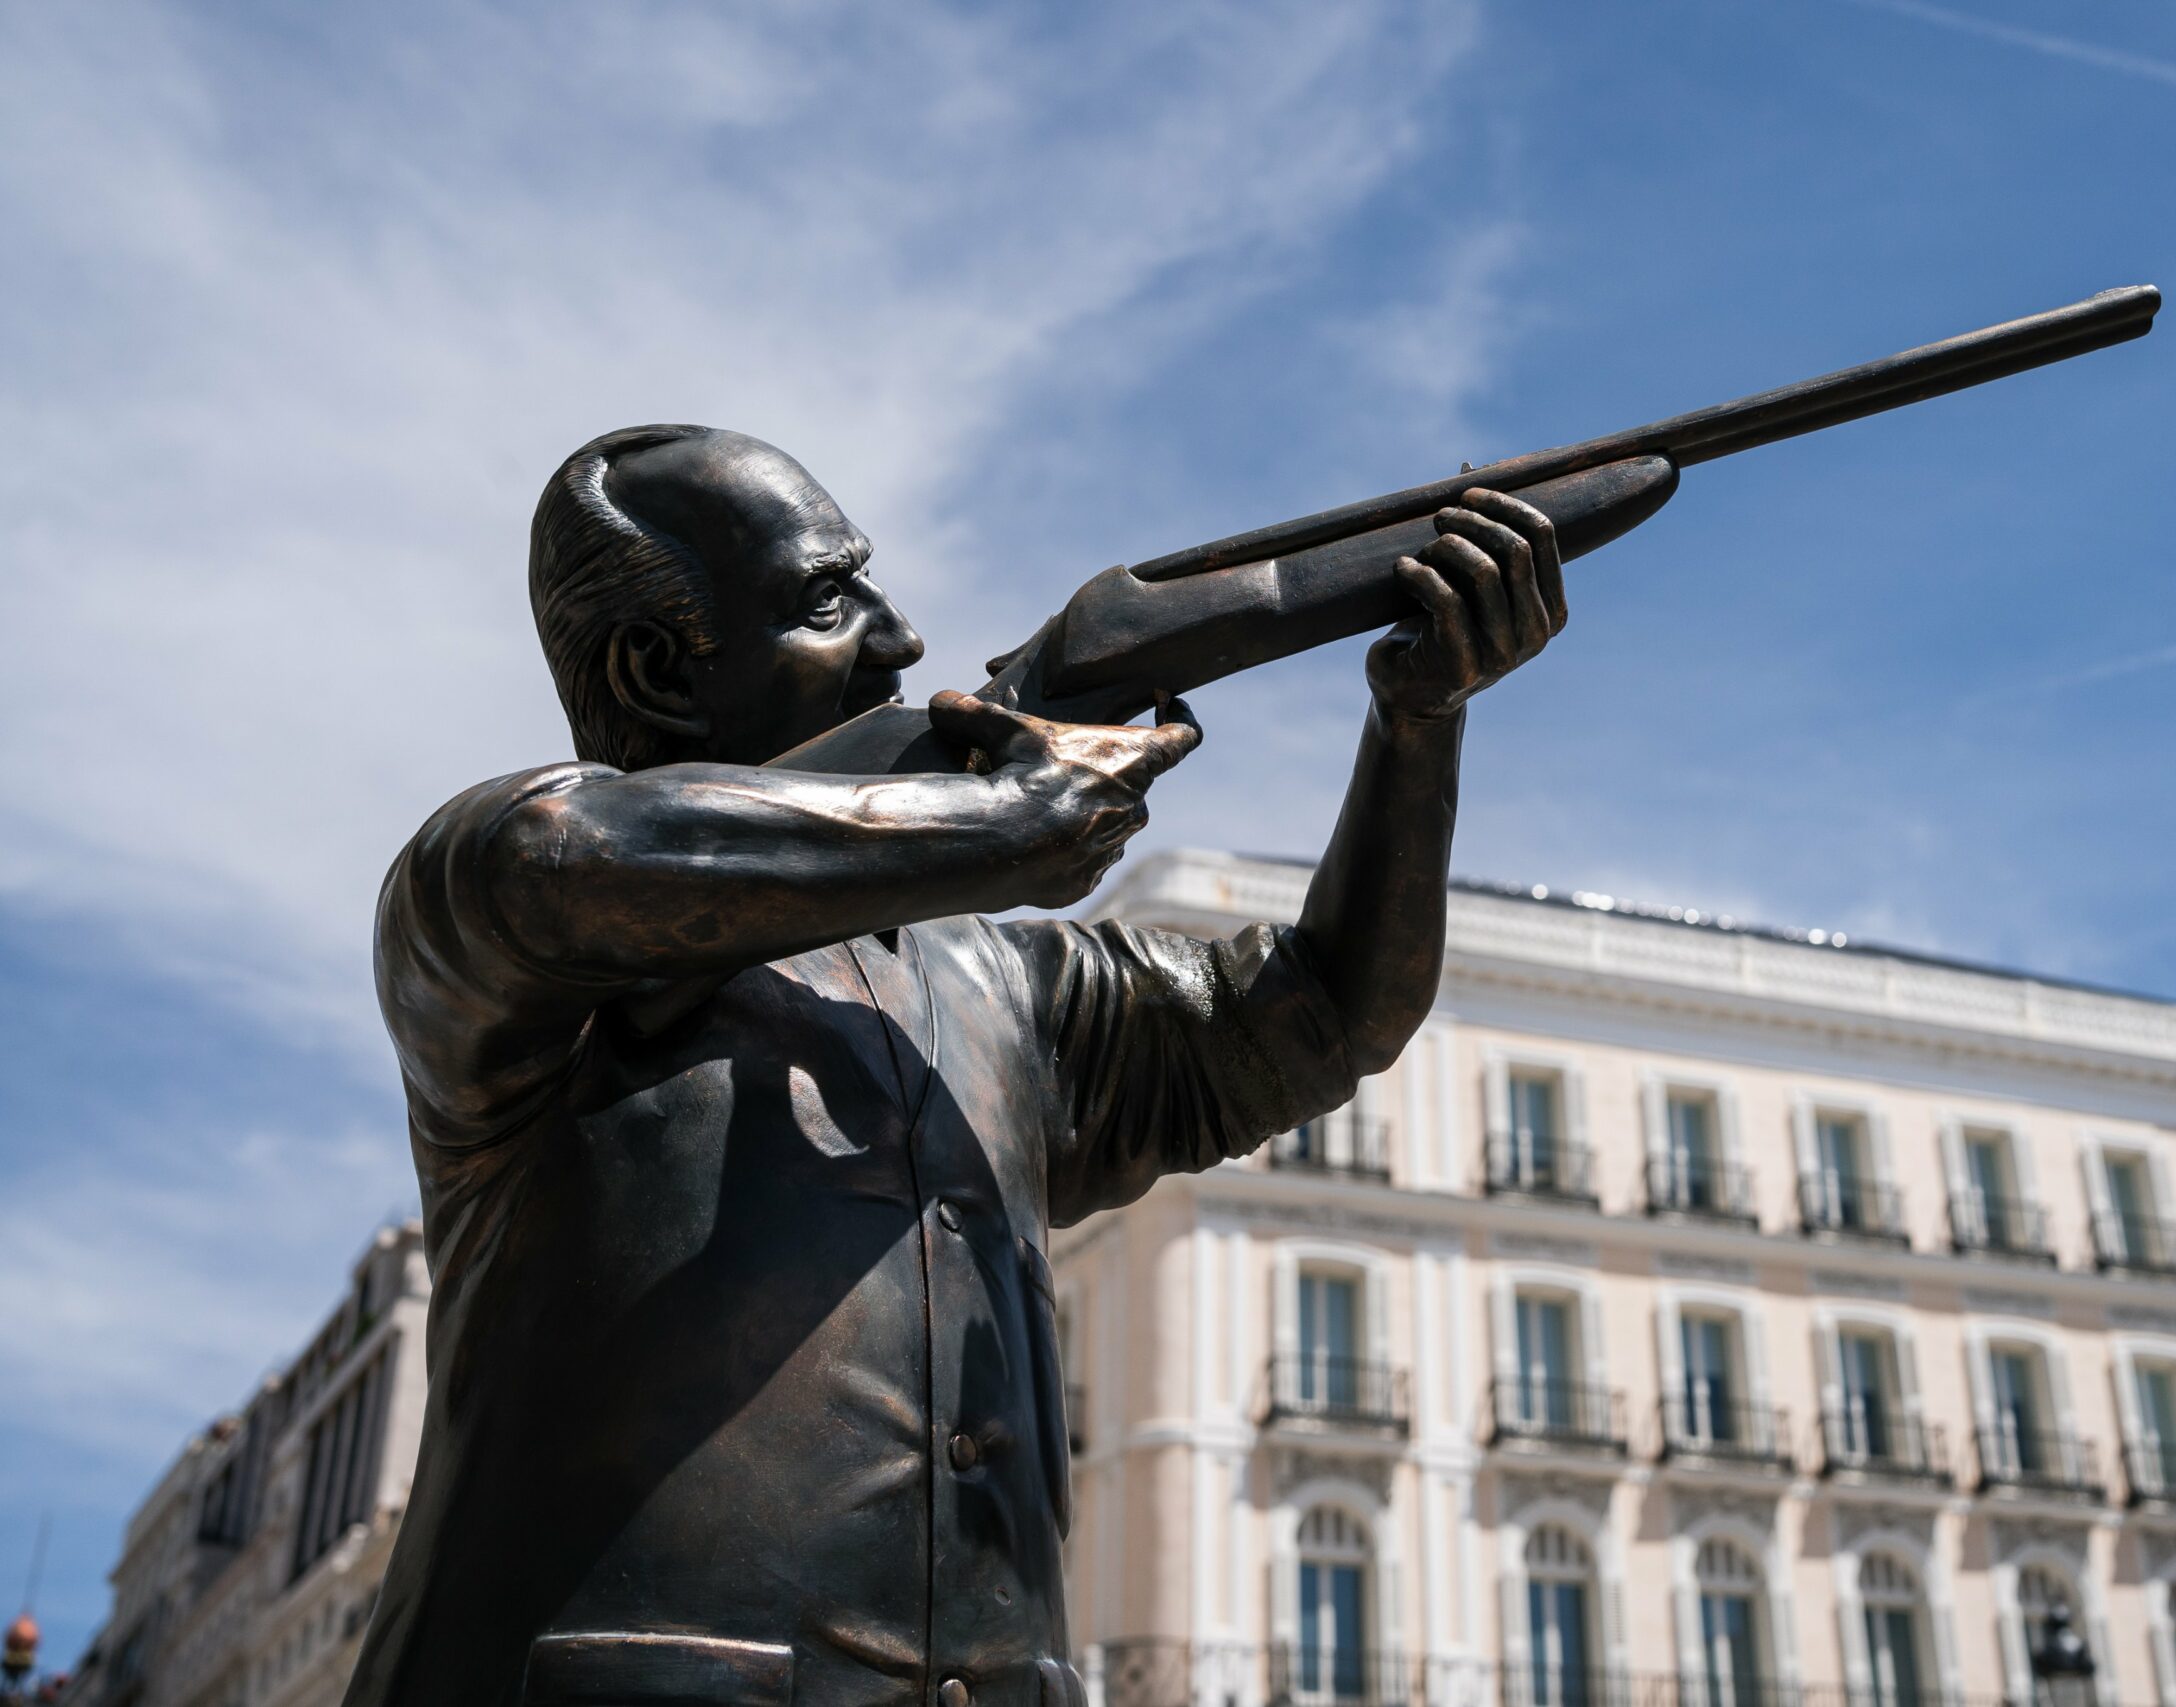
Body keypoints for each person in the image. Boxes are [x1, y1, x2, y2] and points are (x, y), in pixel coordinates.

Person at [346, 424, 1566, 1707]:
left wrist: (1418, 724)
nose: (899, 637)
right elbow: (551, 852)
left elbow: (1321, 1016)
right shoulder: (505, 923)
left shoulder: (1007, 984)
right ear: (654, 669)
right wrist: (997, 827)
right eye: (827, 598)